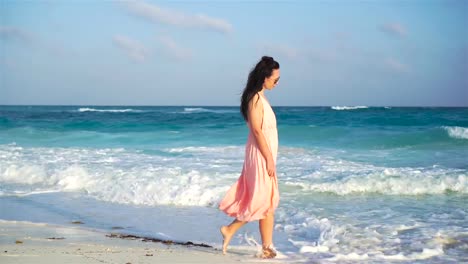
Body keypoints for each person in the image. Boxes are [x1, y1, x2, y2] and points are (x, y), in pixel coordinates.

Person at [219, 56, 280, 259]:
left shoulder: (260, 98)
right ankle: (230, 229)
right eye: (275, 78)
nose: (277, 82)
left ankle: (267, 247)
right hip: (261, 156)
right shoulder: (255, 98)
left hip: (265, 155)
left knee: (268, 201)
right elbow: (256, 130)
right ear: (265, 77)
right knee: (262, 201)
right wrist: (269, 158)